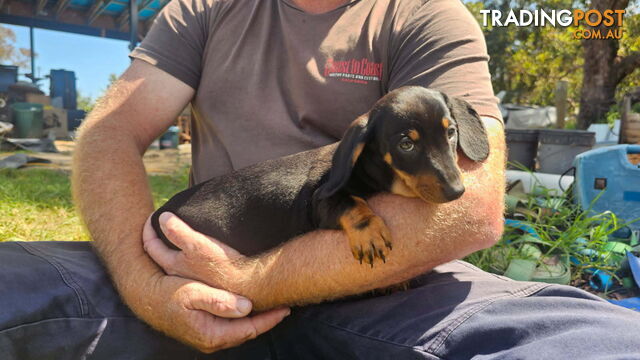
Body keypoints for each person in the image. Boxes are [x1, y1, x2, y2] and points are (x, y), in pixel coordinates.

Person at [1, 0, 639, 358]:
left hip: (387, 280)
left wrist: (251, 282)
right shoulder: (204, 9)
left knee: (603, 346)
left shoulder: (426, 16)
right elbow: (110, 133)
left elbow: (470, 207)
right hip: (180, 265)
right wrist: (145, 284)